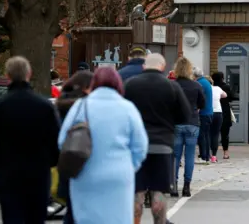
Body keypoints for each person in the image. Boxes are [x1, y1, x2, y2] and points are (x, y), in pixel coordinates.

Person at [58, 66, 148, 224]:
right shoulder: (128, 108)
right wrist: (128, 165)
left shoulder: (80, 106)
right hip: (118, 175)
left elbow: (62, 141)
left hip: (84, 173)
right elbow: (140, 147)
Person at [124, 53, 191, 224]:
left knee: (136, 191)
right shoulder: (172, 86)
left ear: (144, 66)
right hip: (162, 144)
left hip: (135, 146)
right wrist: (168, 122)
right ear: (162, 67)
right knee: (159, 190)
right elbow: (185, 115)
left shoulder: (130, 85)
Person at [0, 56, 61, 223]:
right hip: (38, 172)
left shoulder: (0, 106)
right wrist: (51, 161)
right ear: (29, 74)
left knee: (12, 218)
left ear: (7, 75)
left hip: (8, 172)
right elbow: (55, 140)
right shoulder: (44, 106)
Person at [55, 70, 94, 224]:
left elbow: (59, 138)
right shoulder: (84, 108)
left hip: (66, 162)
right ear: (85, 88)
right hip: (82, 161)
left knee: (71, 212)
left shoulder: (59, 104)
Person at [172, 57, 205, 197]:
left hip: (176, 123)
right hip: (192, 122)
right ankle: (186, 186)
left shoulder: (172, 85)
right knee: (190, 155)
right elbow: (202, 104)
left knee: (175, 156)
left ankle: (173, 186)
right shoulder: (196, 85)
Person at [211, 72, 235, 159]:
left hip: (214, 112)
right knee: (225, 134)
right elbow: (232, 97)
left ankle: (213, 153)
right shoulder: (226, 87)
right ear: (222, 78)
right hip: (225, 112)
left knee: (214, 134)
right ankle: (226, 153)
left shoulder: (212, 88)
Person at [193, 67, 213, 164]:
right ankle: (207, 155)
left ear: (194, 75)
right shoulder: (206, 82)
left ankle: (204, 156)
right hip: (209, 112)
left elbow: (199, 99)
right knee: (206, 135)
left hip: (203, 113)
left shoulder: (199, 84)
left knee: (201, 135)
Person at [205, 75, 227, 163]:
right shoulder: (217, 88)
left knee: (207, 134)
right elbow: (225, 95)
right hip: (218, 113)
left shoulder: (204, 89)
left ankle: (207, 154)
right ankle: (214, 156)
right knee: (215, 134)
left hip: (207, 113)